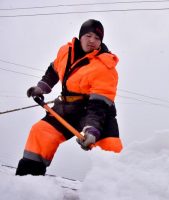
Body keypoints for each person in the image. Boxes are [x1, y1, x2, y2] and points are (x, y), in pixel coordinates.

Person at [16, 19, 123, 176]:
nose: (93, 41)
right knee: (41, 132)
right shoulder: (66, 51)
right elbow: (54, 70)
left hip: (96, 112)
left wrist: (92, 129)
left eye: (97, 38)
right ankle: (28, 180)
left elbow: (99, 105)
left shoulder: (105, 65)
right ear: (81, 36)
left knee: (111, 149)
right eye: (89, 35)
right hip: (67, 109)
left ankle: (119, 188)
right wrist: (42, 88)